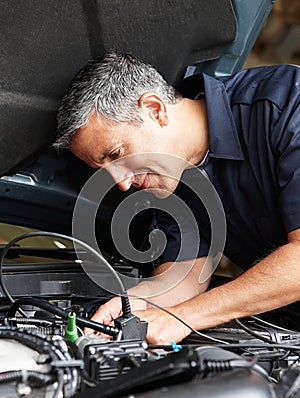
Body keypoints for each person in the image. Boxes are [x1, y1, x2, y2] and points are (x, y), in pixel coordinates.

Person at [54, 52, 300, 344]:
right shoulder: (168, 177)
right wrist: (138, 302)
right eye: (104, 171)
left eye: (117, 154)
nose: (121, 184)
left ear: (154, 109)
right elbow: (187, 269)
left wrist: (184, 317)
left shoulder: (285, 105)